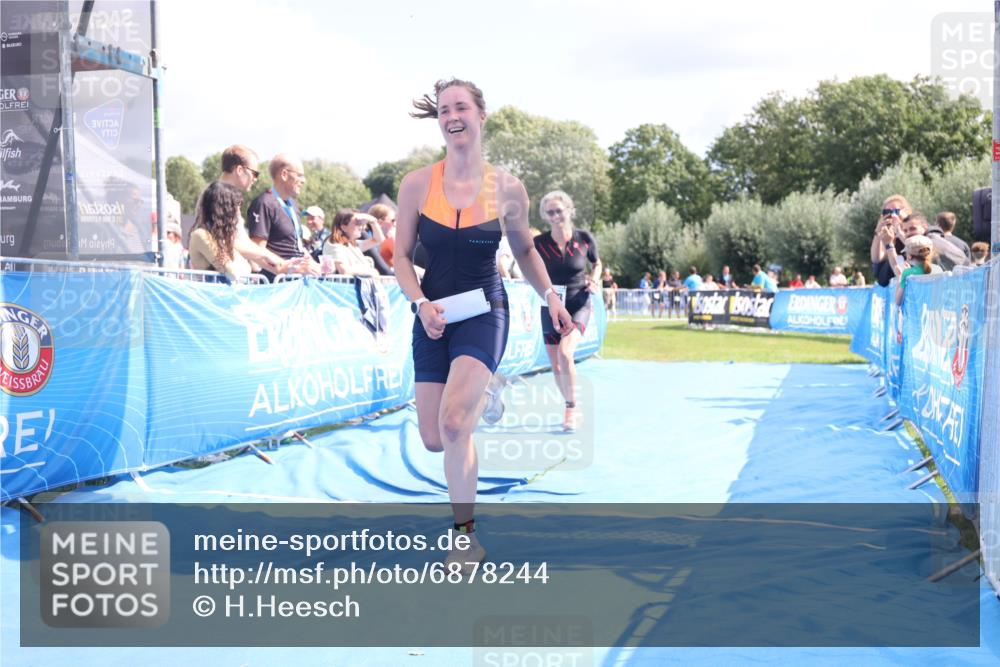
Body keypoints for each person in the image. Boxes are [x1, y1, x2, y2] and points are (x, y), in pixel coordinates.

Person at [392, 78, 573, 569]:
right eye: (445, 109)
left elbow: (526, 251)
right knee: (433, 438)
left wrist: (552, 297)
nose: (453, 115)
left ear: (480, 115)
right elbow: (401, 258)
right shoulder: (415, 185)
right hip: (432, 315)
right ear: (440, 121)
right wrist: (419, 303)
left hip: (484, 311)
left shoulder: (507, 188)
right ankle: (484, 393)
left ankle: (465, 537)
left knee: (454, 426)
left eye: (462, 107)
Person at [533, 190, 602, 431]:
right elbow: (530, 269)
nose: (555, 216)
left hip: (579, 302)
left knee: (565, 353)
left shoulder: (584, 238)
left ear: (569, 211)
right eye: (550, 212)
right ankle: (570, 403)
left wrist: (594, 279)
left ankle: (571, 408)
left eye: (558, 211)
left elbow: (598, 263)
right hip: (551, 306)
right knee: (556, 365)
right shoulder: (539, 244)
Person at [194, 145, 296, 276]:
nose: (255, 179)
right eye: (255, 173)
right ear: (240, 170)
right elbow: (228, 242)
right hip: (219, 281)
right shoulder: (216, 198)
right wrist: (279, 263)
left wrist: (280, 265)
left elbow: (241, 241)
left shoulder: (225, 197)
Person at [247, 153, 322, 281]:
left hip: (296, 281)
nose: (303, 181)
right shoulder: (264, 203)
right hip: (276, 283)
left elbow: (296, 245)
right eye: (299, 175)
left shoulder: (293, 204)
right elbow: (257, 250)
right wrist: (290, 268)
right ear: (284, 174)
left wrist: (315, 265)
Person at [188, 182, 257, 281]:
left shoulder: (221, 239)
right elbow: (233, 272)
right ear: (225, 210)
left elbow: (248, 269)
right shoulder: (201, 235)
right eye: (236, 208)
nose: (238, 213)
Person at [323, 209, 385, 276]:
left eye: (362, 223)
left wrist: (373, 221)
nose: (361, 227)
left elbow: (378, 240)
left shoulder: (352, 244)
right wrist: (371, 272)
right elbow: (344, 270)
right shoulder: (334, 244)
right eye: (358, 223)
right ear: (344, 227)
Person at [894, 235, 940, 305]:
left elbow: (898, 302)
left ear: (909, 256)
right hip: (935, 313)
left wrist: (899, 276)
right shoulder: (938, 269)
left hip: (914, 314)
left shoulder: (907, 273)